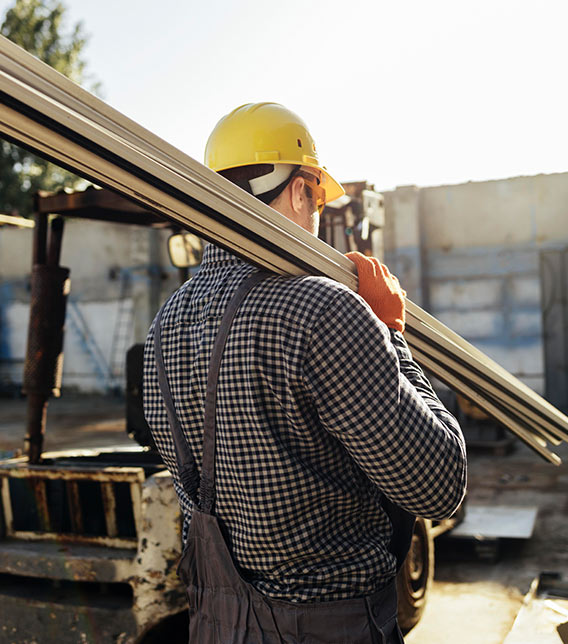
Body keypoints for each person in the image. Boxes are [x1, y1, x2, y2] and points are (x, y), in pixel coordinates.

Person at [143, 102, 467, 643]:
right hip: (328, 628)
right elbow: (438, 486)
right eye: (316, 197)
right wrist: (392, 332)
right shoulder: (325, 311)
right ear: (299, 192)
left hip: (218, 626)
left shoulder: (164, 327)